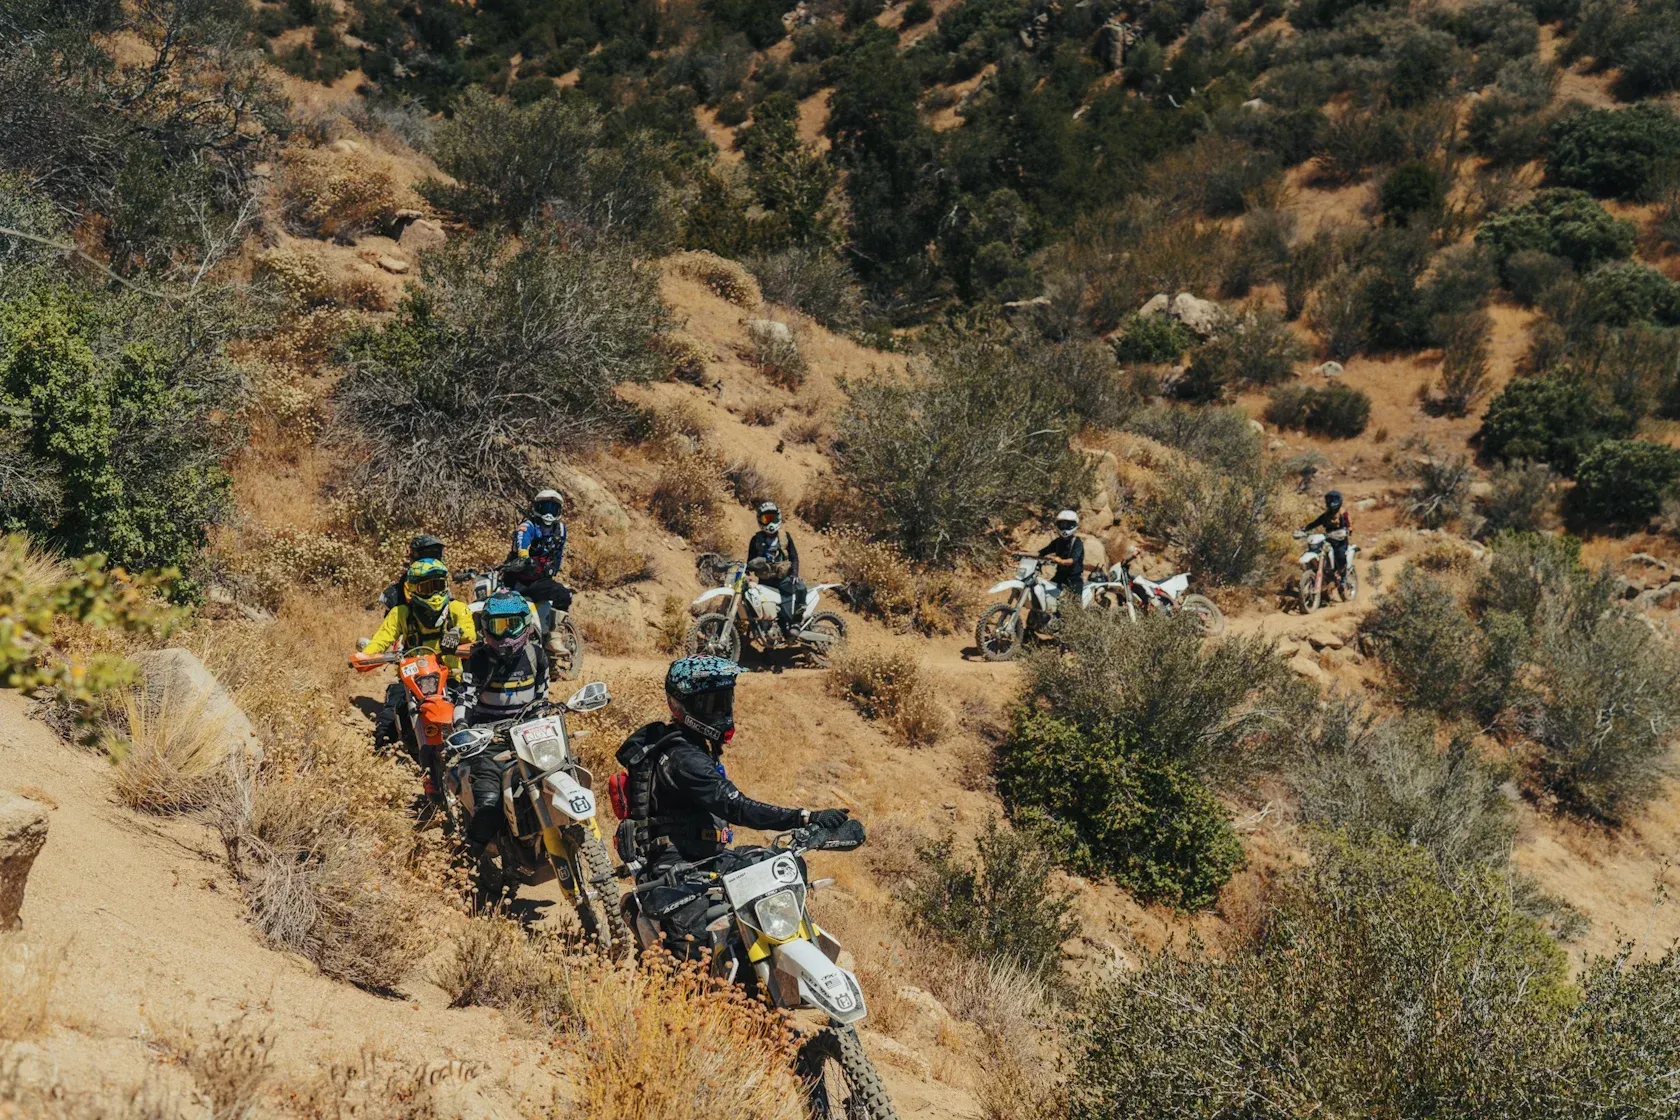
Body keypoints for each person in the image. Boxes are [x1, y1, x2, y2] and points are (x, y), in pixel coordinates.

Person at [612, 656, 851, 879]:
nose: (722, 712)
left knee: (780, 866)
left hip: (700, 860)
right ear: (682, 706)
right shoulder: (684, 758)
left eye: (725, 701)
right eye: (712, 704)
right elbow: (735, 806)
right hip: (682, 869)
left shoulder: (684, 745)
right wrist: (804, 817)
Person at [458, 590, 550, 857]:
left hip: (529, 733)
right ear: (486, 627)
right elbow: (464, 699)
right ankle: (469, 856)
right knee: (489, 804)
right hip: (488, 738)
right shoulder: (478, 659)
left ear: (526, 623)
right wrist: (462, 729)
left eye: (512, 624)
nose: (506, 635)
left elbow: (543, 699)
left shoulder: (537, 656)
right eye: (498, 626)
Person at [364, 558, 478, 750]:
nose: (434, 593)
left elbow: (470, 631)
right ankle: (380, 761)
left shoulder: (456, 609)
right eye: (427, 587)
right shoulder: (401, 613)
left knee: (469, 716)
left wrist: (456, 632)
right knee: (387, 720)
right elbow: (381, 639)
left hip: (450, 676)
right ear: (414, 589)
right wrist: (366, 656)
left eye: (438, 585)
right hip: (411, 680)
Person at [505, 488, 573, 659]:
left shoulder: (561, 530)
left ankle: (553, 636)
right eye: (545, 507)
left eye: (553, 508)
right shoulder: (527, 527)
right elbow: (522, 545)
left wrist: (552, 571)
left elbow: (558, 553)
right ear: (537, 508)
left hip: (540, 581)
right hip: (517, 581)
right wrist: (524, 559)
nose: (549, 513)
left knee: (564, 595)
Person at [746, 501, 802, 638]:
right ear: (760, 520)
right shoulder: (756, 540)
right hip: (765, 581)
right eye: (766, 519)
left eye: (773, 518)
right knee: (764, 612)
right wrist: (747, 573)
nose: (770, 523)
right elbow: (750, 561)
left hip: (783, 579)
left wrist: (794, 574)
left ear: (779, 517)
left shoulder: (785, 537)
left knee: (795, 595)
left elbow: (794, 557)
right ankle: (767, 644)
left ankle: (796, 624)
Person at [378, 534, 445, 611]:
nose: (430, 562)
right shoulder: (393, 594)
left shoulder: (443, 589)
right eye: (426, 555)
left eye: (435, 555)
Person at [1299, 490, 1353, 583]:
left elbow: (1349, 524)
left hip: (1340, 540)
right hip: (1328, 539)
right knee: (1318, 550)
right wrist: (1305, 529)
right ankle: (1323, 571)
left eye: (1334, 500)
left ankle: (1343, 576)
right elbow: (1315, 523)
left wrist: (1348, 529)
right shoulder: (1326, 515)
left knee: (1340, 555)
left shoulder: (1343, 513)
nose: (1331, 502)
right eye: (1329, 500)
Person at [1036, 509, 1085, 608]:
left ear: (1074, 525)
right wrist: (1021, 554)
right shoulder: (1058, 541)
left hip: (1073, 579)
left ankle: (1079, 623)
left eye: (1067, 524)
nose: (1064, 527)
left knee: (1075, 609)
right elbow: (1041, 552)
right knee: (1046, 594)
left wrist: (1061, 561)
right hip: (1059, 576)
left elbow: (1073, 560)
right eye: (1062, 524)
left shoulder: (1077, 542)